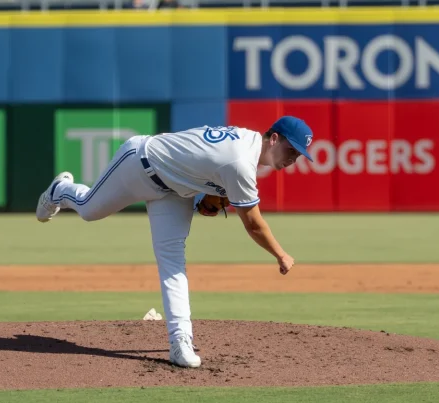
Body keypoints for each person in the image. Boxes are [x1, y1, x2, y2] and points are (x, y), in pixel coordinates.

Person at [35, 116, 314, 368]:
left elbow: (204, 164)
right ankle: (60, 190)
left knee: (173, 261)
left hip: (174, 190)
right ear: (274, 138)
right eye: (291, 150)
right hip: (140, 163)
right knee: (88, 209)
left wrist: (208, 192)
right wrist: (281, 255)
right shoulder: (241, 161)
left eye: (298, 155)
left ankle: (180, 340)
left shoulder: (246, 143)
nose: (293, 159)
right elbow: (253, 224)